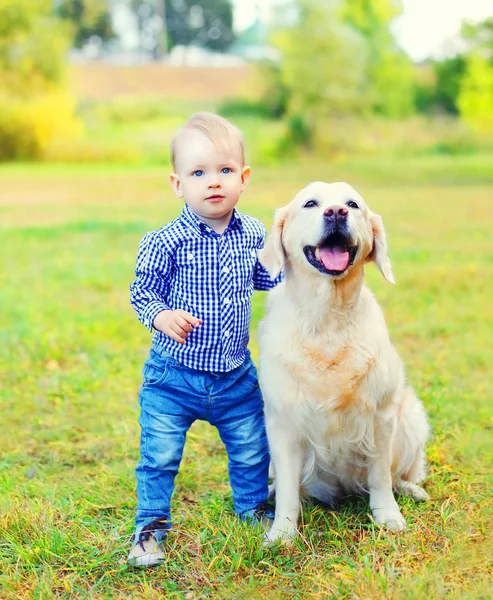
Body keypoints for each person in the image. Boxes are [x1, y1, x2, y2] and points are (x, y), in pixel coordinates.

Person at [128, 112, 282, 567]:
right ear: (178, 184)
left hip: (235, 377)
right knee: (158, 456)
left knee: (253, 449)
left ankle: (253, 510)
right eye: (198, 173)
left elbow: (270, 280)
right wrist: (161, 315)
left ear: (243, 177)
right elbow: (142, 292)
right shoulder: (164, 240)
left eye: (224, 171)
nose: (213, 182)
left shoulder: (255, 234)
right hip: (173, 378)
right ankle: (149, 531)